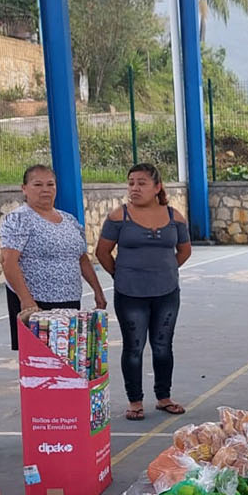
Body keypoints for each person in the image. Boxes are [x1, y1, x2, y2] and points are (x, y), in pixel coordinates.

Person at [96, 163, 192, 420]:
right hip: (130, 293)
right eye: (131, 183)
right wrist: (120, 274)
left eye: (142, 183)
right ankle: (135, 401)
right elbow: (102, 252)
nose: (135, 188)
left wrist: (166, 270)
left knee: (162, 346)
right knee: (134, 347)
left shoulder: (175, 217)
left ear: (157, 187)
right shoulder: (119, 216)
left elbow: (184, 250)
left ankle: (164, 397)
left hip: (166, 292)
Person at [0, 164, 107, 350]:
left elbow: (81, 258)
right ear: (24, 188)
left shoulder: (69, 220)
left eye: (50, 184)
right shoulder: (19, 219)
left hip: (69, 301)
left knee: (69, 355)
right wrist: (26, 301)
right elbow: (8, 262)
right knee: (40, 361)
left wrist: (97, 290)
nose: (45, 190)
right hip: (36, 304)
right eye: (38, 185)